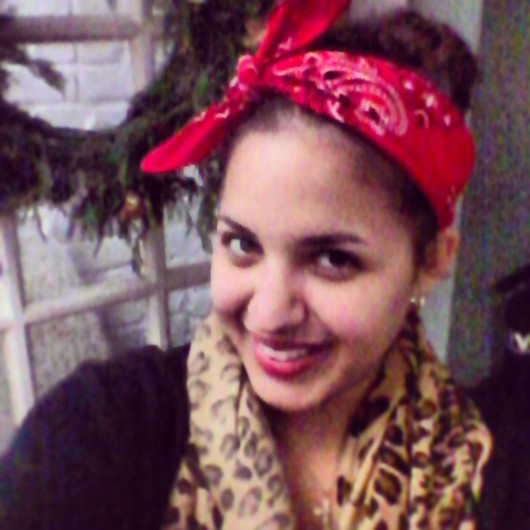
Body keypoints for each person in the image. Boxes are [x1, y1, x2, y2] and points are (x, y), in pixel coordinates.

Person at [0, 2, 491, 529]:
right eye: (242, 244)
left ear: (431, 261)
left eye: (333, 259)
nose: (269, 313)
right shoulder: (108, 429)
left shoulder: (488, 473)